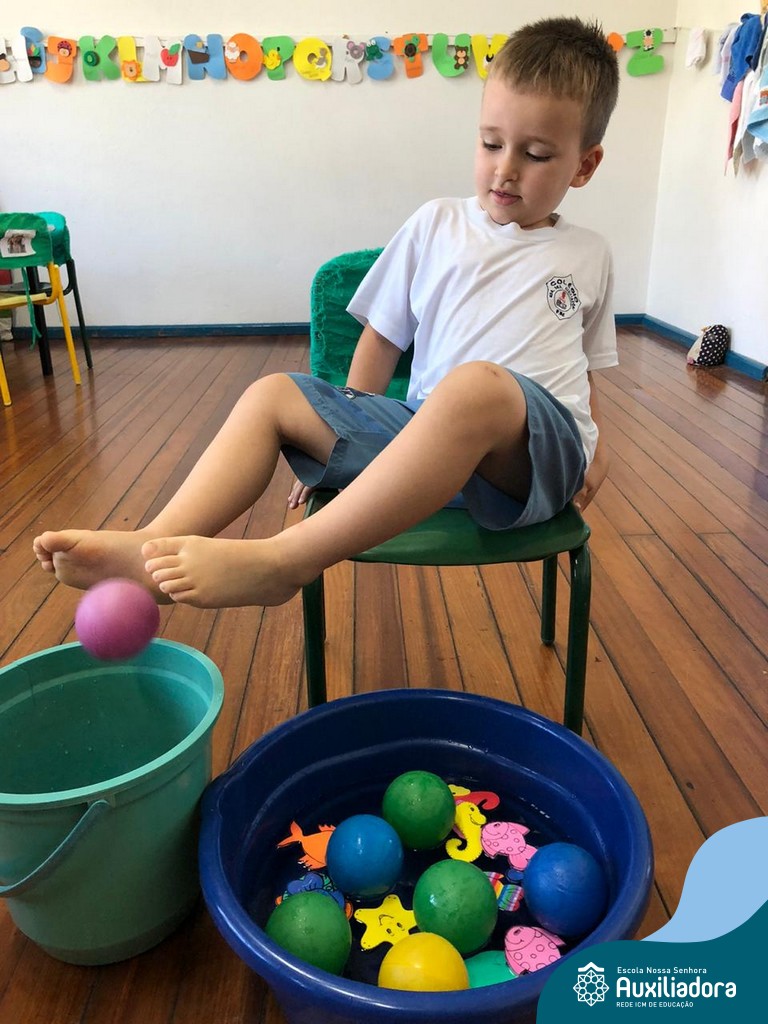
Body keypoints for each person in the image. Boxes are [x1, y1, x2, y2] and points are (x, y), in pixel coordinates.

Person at [33, 16, 620, 610]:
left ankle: (285, 560)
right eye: (491, 143)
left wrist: (599, 452)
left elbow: (585, 371)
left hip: (535, 461)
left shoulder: (587, 253)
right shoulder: (437, 224)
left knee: (476, 387)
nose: (505, 168)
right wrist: (347, 431)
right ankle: (153, 545)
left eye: (536, 154)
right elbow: (382, 339)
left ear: (584, 165)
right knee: (270, 395)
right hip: (428, 446)